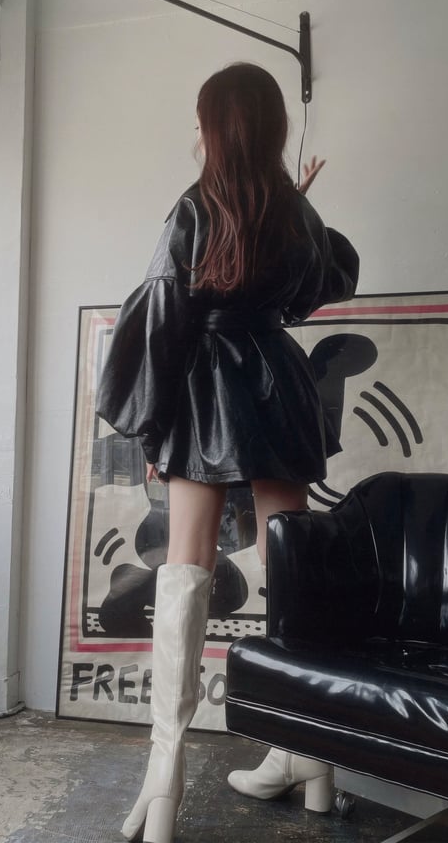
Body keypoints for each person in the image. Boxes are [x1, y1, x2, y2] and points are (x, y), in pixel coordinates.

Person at [95, 62, 360, 843]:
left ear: (215, 128)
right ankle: (310, 754)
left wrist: (152, 427)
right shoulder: (293, 212)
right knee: (292, 560)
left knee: (185, 566)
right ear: (272, 128)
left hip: (206, 387)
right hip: (278, 382)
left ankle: (164, 775)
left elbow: (164, 317)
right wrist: (292, 212)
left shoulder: (196, 206)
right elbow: (314, 289)